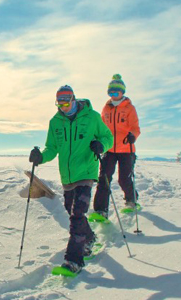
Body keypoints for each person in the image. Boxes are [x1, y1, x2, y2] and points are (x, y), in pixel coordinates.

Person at [29, 85, 114, 274]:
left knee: (78, 214)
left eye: (66, 102)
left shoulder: (91, 117)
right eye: (59, 103)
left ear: (73, 99)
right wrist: (40, 156)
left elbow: (108, 136)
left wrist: (102, 145)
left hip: (86, 171)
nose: (63, 106)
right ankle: (89, 237)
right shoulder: (55, 122)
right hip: (67, 176)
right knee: (71, 210)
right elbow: (51, 148)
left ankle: (74, 260)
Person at [92, 74, 141, 220]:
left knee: (124, 179)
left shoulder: (129, 108)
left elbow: (135, 127)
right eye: (110, 92)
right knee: (104, 178)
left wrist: (132, 135)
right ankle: (101, 210)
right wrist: (97, 141)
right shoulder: (106, 109)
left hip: (126, 149)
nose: (113, 95)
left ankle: (131, 200)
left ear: (122, 92)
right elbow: (101, 127)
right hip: (109, 149)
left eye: (116, 92)